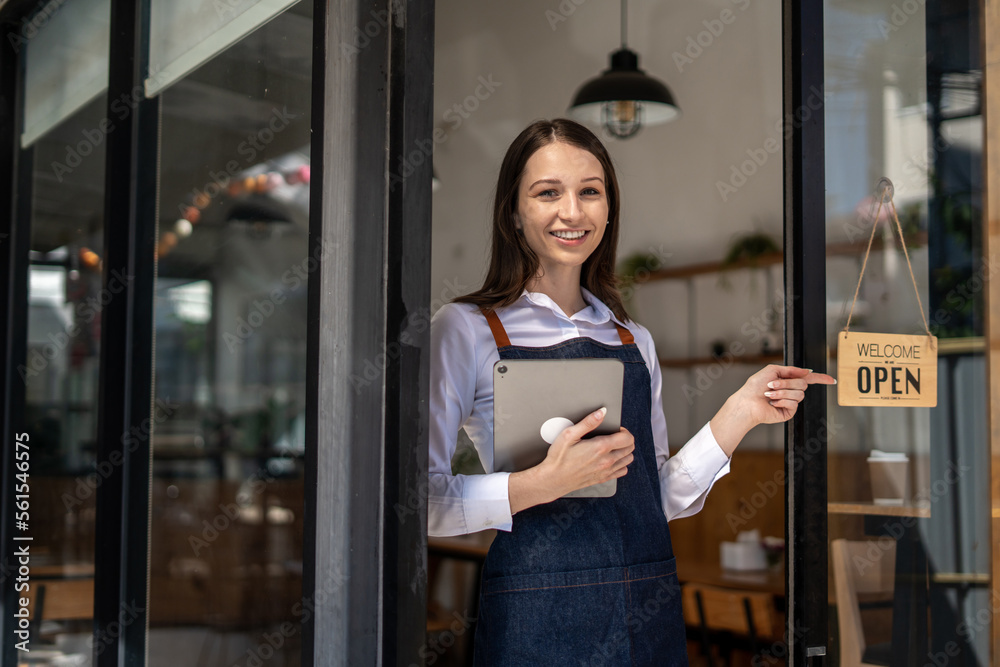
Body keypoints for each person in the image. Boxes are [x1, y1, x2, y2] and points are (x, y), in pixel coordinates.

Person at [428, 118, 834, 665]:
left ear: (609, 208)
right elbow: (421, 504)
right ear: (513, 212)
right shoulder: (466, 328)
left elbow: (653, 497)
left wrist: (739, 412)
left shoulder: (630, 338)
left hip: (647, 598)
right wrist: (542, 484)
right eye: (548, 192)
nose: (572, 211)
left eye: (590, 192)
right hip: (534, 606)